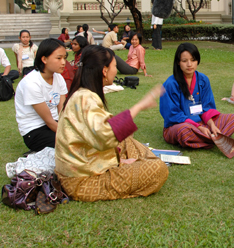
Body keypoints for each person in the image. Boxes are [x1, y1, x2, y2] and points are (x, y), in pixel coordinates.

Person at [54, 45, 168, 202]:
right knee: (158, 169)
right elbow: (106, 135)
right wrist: (139, 106)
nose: (116, 70)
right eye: (115, 66)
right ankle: (128, 163)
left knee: (127, 140)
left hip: (87, 163)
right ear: (104, 70)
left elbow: (103, 134)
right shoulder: (85, 98)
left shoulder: (82, 94)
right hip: (82, 181)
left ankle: (125, 162)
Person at [160, 43, 234, 150]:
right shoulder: (170, 84)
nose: (189, 64)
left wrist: (212, 125)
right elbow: (173, 115)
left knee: (232, 119)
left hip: (202, 123)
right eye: (184, 61)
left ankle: (208, 137)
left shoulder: (203, 80)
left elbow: (207, 107)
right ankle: (215, 139)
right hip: (180, 125)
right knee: (184, 133)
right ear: (178, 62)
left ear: (198, 61)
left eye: (193, 60)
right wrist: (198, 127)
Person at [14, 38, 67, 152]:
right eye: (59, 58)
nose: (63, 62)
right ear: (44, 59)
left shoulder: (59, 78)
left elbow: (62, 111)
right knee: (71, 145)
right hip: (34, 131)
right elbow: (48, 120)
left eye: (64, 58)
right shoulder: (31, 83)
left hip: (55, 124)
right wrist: (70, 135)